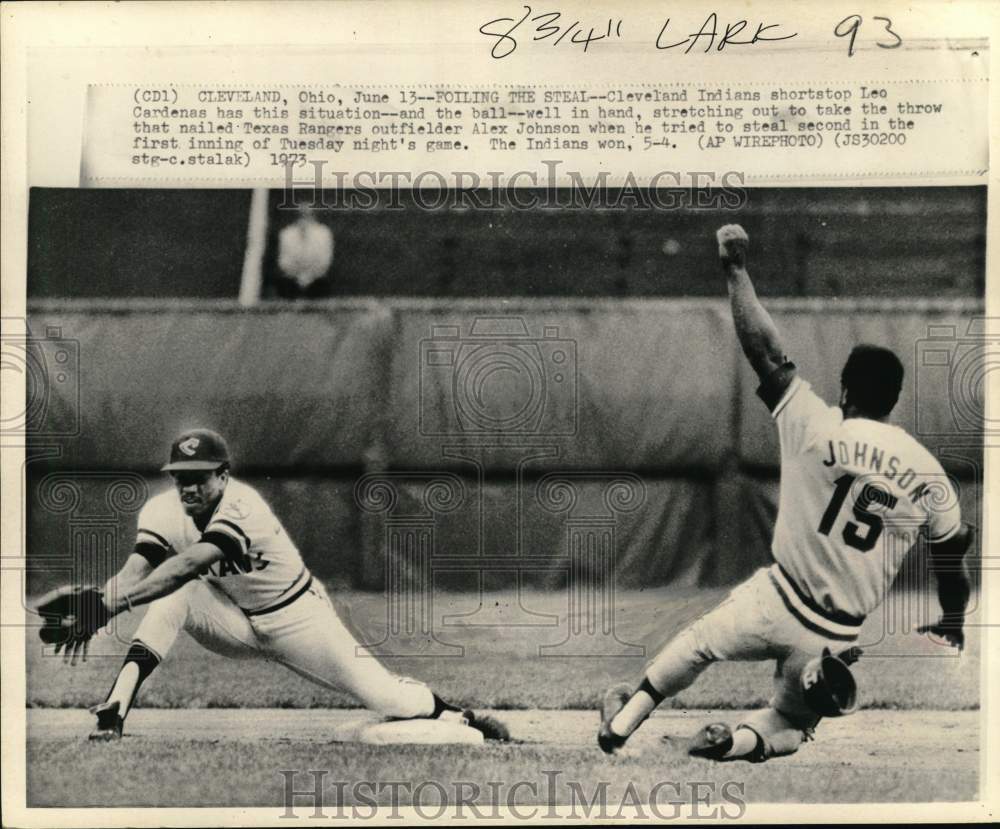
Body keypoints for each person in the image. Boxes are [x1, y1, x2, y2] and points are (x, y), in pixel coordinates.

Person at [596, 224, 973, 762]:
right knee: (792, 724)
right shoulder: (930, 475)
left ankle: (624, 722)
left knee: (699, 645)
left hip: (775, 598)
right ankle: (735, 745)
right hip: (834, 636)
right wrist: (953, 622)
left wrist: (736, 270)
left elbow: (764, 351)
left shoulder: (816, 425)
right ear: (895, 400)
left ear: (844, 390)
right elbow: (952, 559)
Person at [56, 428, 502, 742]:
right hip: (233, 621)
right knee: (182, 593)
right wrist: (99, 601)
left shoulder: (242, 506)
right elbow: (138, 568)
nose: (188, 486)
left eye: (199, 476)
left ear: (223, 475)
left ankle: (454, 714)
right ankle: (115, 708)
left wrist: (110, 608)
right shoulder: (161, 510)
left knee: (387, 697)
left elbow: (189, 562)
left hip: (297, 618)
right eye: (180, 476)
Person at [273, 205, 334, 298]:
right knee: (284, 285)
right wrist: (297, 276)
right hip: (292, 278)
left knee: (321, 285)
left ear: (314, 216)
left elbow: (325, 261)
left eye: (308, 215)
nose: (304, 219)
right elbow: (284, 262)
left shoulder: (324, 233)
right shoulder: (286, 234)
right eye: (301, 215)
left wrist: (310, 276)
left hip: (316, 278)